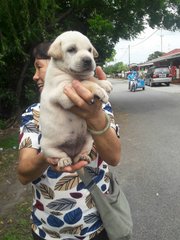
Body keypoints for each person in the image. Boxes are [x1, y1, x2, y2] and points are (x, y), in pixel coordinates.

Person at [17, 42, 121, 240]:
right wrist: (49, 155)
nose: (35, 76)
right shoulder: (32, 114)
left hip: (96, 224)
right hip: (47, 230)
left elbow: (114, 157)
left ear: (60, 62)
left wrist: (94, 115)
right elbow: (23, 175)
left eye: (39, 67)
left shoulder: (99, 105)